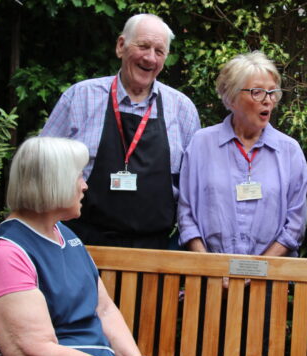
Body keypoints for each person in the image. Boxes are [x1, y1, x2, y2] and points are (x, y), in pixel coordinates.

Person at [0, 137, 158, 356]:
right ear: (54, 182)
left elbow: (104, 309)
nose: (85, 186)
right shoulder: (5, 255)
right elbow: (35, 354)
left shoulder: (66, 236)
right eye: (78, 177)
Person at [40, 13, 201, 249]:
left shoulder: (182, 109)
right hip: (82, 246)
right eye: (144, 46)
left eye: (159, 51)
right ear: (120, 46)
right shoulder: (80, 98)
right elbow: (42, 168)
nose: (150, 58)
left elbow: (192, 188)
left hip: (156, 253)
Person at [177, 51, 307, 257]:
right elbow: (186, 215)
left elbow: (295, 224)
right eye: (257, 92)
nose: (268, 100)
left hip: (268, 279)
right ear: (231, 98)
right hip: (209, 277)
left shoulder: (289, 151)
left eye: (272, 92)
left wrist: (255, 270)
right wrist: (210, 269)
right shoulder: (201, 144)